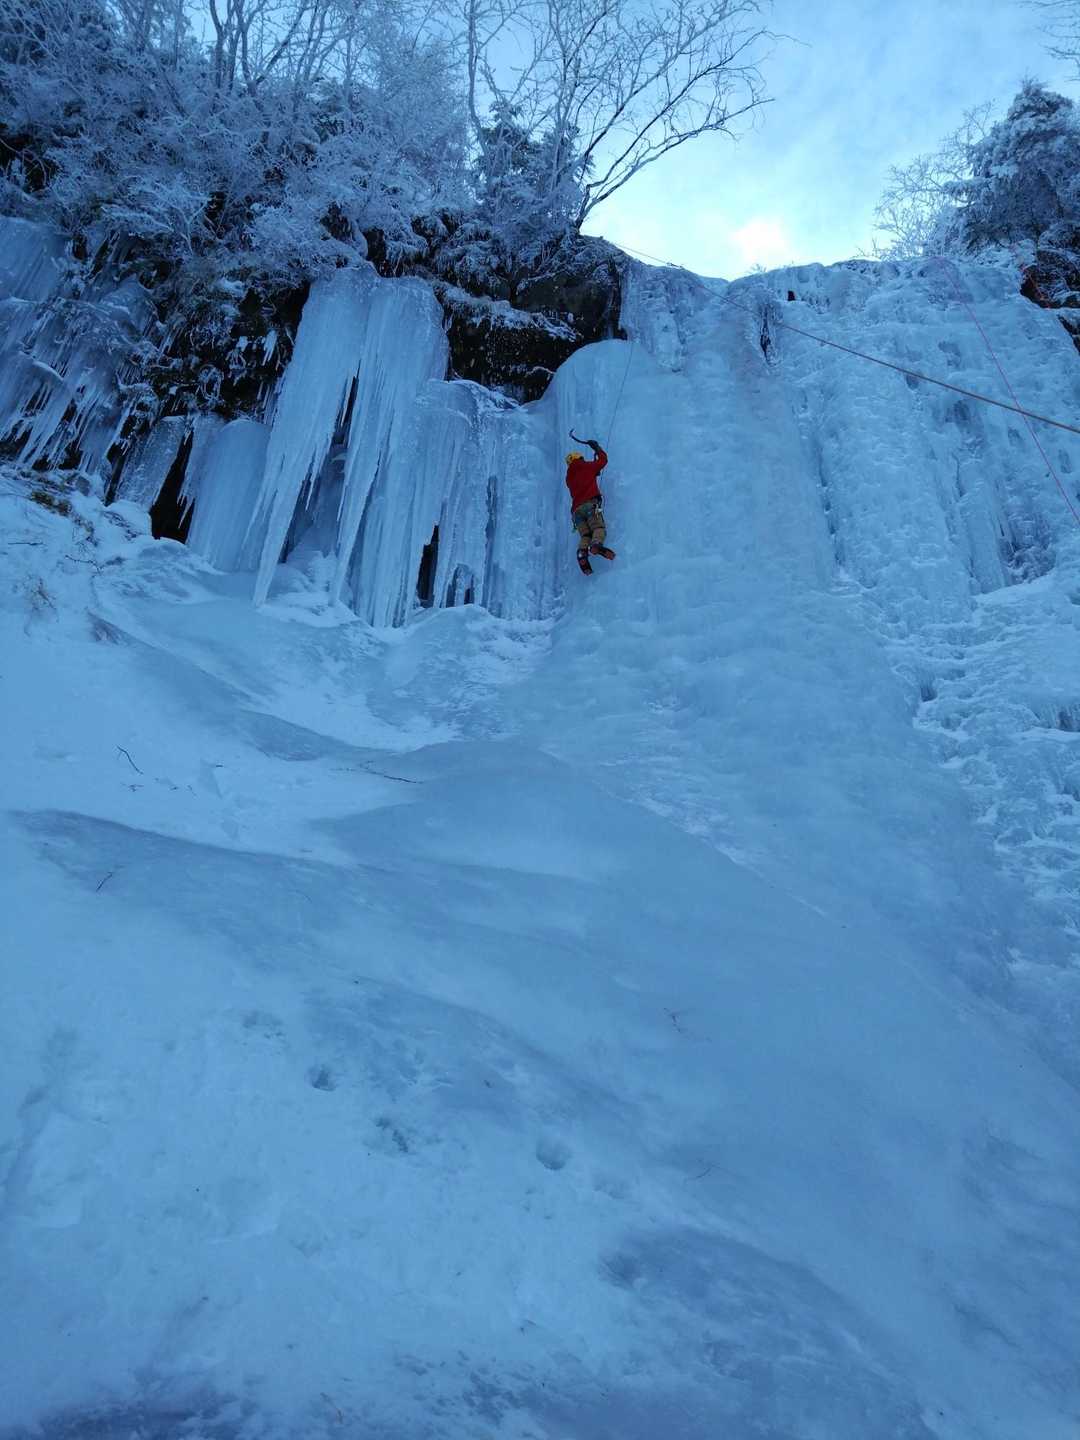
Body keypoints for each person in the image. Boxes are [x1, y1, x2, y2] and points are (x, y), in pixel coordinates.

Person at [565, 439, 615, 575]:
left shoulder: (568, 478)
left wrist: (593, 472)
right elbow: (603, 461)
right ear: (580, 458)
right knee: (598, 528)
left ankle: (582, 552)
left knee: (586, 535)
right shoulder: (586, 466)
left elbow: (581, 480)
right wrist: (597, 448)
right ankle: (596, 544)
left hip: (576, 512)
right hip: (590, 505)